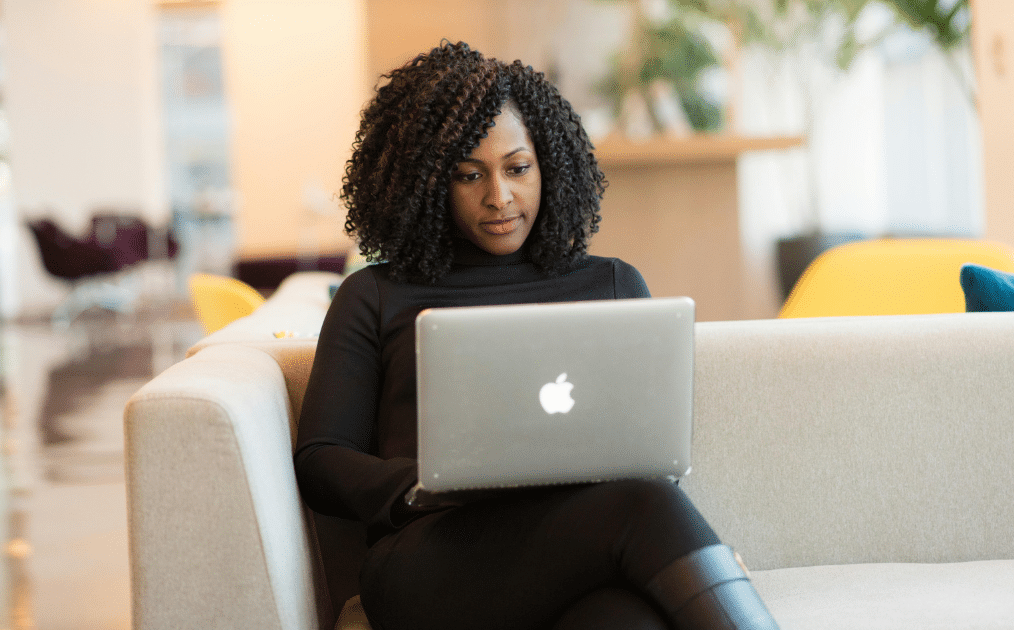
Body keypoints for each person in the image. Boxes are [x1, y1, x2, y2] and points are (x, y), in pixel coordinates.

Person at [295, 41, 780, 630]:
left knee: (626, 617)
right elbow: (322, 459)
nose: (498, 197)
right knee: (646, 508)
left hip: (583, 546)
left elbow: (647, 446)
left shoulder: (613, 284)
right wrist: (422, 487)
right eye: (468, 175)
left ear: (550, 164)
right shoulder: (374, 294)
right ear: (425, 185)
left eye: (517, 169)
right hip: (431, 561)